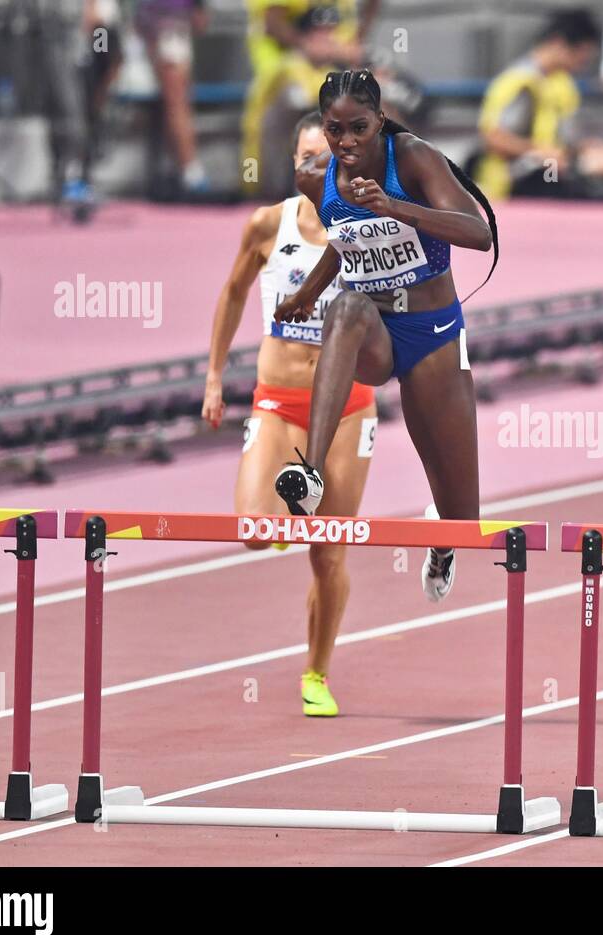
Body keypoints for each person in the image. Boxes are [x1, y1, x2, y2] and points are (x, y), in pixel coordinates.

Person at [271, 69, 497, 605]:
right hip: (373, 328)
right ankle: (313, 472)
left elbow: (478, 233)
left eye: (358, 128)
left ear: (379, 120)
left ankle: (441, 537)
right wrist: (309, 293)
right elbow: (344, 241)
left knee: (464, 519)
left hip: (432, 330)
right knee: (345, 307)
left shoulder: (412, 158)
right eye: (334, 129)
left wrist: (395, 206)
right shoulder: (315, 178)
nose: (346, 142)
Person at [202, 112, 378, 717]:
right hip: (278, 400)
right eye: (305, 159)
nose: (314, 168)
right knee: (255, 531)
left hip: (348, 408)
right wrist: (214, 376)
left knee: (328, 553)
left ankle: (317, 673)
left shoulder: (368, 227)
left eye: (325, 160)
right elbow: (231, 293)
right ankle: (286, 506)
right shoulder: (267, 224)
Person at [474, 9, 603, 201]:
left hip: (547, 170)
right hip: (513, 183)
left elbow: (556, 141)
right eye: (581, 58)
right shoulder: (521, 82)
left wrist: (581, 149)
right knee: (589, 171)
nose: (582, 66)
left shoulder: (558, 83)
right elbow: (494, 137)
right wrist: (545, 152)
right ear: (559, 44)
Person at [241, 1, 381, 196]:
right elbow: (273, 24)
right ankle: (297, 188)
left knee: (380, 100)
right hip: (287, 76)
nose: (326, 35)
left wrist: (352, 51)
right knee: (305, 107)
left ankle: (389, 182)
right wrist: (320, 49)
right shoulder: (289, 68)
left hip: (334, 68)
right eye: (320, 32)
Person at [135, 0, 211, 195]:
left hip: (175, 25)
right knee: (176, 100)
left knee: (178, 100)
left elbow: (200, 21)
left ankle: (183, 170)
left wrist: (199, 8)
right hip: (158, 24)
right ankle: (190, 171)